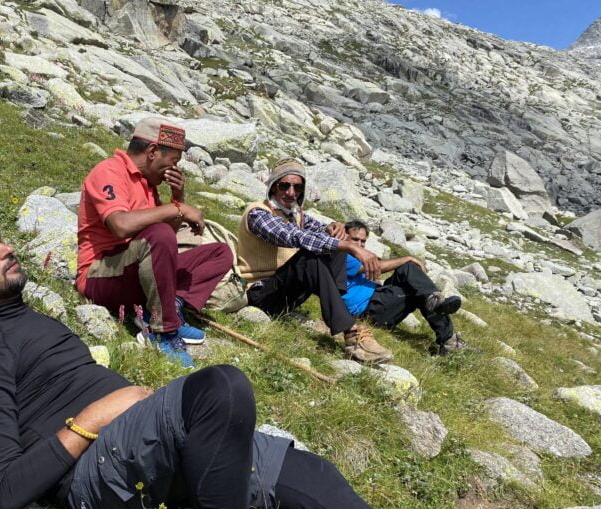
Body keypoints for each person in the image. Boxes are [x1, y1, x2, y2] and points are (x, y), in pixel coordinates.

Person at [0, 212, 458, 509]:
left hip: (148, 444)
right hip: (99, 474)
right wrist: (93, 416)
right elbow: (4, 486)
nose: (6, 248)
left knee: (313, 477)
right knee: (222, 386)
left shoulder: (21, 318)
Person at [77, 117, 232, 367]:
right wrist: (176, 208)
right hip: (100, 276)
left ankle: (170, 307)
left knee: (220, 253)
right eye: (172, 162)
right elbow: (121, 226)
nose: (174, 170)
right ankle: (162, 331)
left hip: (135, 269)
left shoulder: (149, 185)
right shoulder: (109, 170)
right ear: (152, 151)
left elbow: (165, 238)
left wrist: (177, 198)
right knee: (158, 234)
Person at [237, 158, 393, 363]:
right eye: (284, 185)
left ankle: (339, 311)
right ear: (273, 186)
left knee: (333, 243)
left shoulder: (296, 214)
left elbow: (322, 232)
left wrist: (334, 228)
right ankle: (351, 332)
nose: (291, 193)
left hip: (283, 293)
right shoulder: (258, 213)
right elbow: (292, 236)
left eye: (297, 187)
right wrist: (349, 246)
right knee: (313, 256)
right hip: (259, 293)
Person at [342, 220, 466, 355]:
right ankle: (449, 339)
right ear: (344, 237)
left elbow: (372, 274)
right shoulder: (342, 256)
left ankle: (435, 302)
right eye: (355, 239)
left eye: (363, 241)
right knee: (415, 285)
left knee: (416, 283)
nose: (360, 245)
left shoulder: (358, 256)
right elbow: (376, 267)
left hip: (377, 297)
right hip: (370, 310)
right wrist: (408, 258)